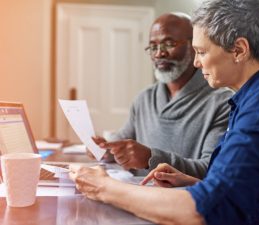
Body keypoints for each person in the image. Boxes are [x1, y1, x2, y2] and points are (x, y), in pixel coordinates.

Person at [70, 0, 259, 224]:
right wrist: (190, 182)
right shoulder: (252, 97)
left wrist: (104, 188)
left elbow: (209, 209)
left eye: (201, 52)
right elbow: (242, 189)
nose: (197, 63)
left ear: (239, 50)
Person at [91, 12, 232, 178]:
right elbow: (122, 145)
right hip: (135, 196)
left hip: (181, 201)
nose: (159, 54)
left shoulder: (222, 102)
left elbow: (211, 169)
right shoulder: (144, 99)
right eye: (153, 46)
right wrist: (105, 150)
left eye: (169, 43)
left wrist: (151, 158)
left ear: (194, 47)